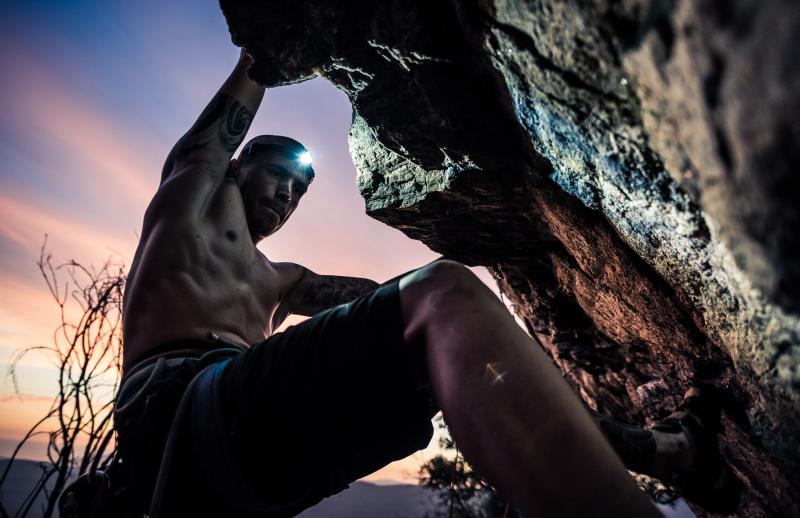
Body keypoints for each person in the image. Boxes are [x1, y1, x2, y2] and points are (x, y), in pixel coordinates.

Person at [111, 48, 740, 517]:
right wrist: (264, 52)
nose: (288, 194)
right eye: (279, 174)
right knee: (444, 295)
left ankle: (666, 453)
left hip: (245, 464)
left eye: (300, 189)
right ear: (239, 164)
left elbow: (380, 301)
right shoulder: (190, 205)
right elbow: (209, 140)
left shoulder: (281, 280)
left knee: (455, 350)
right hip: (178, 409)